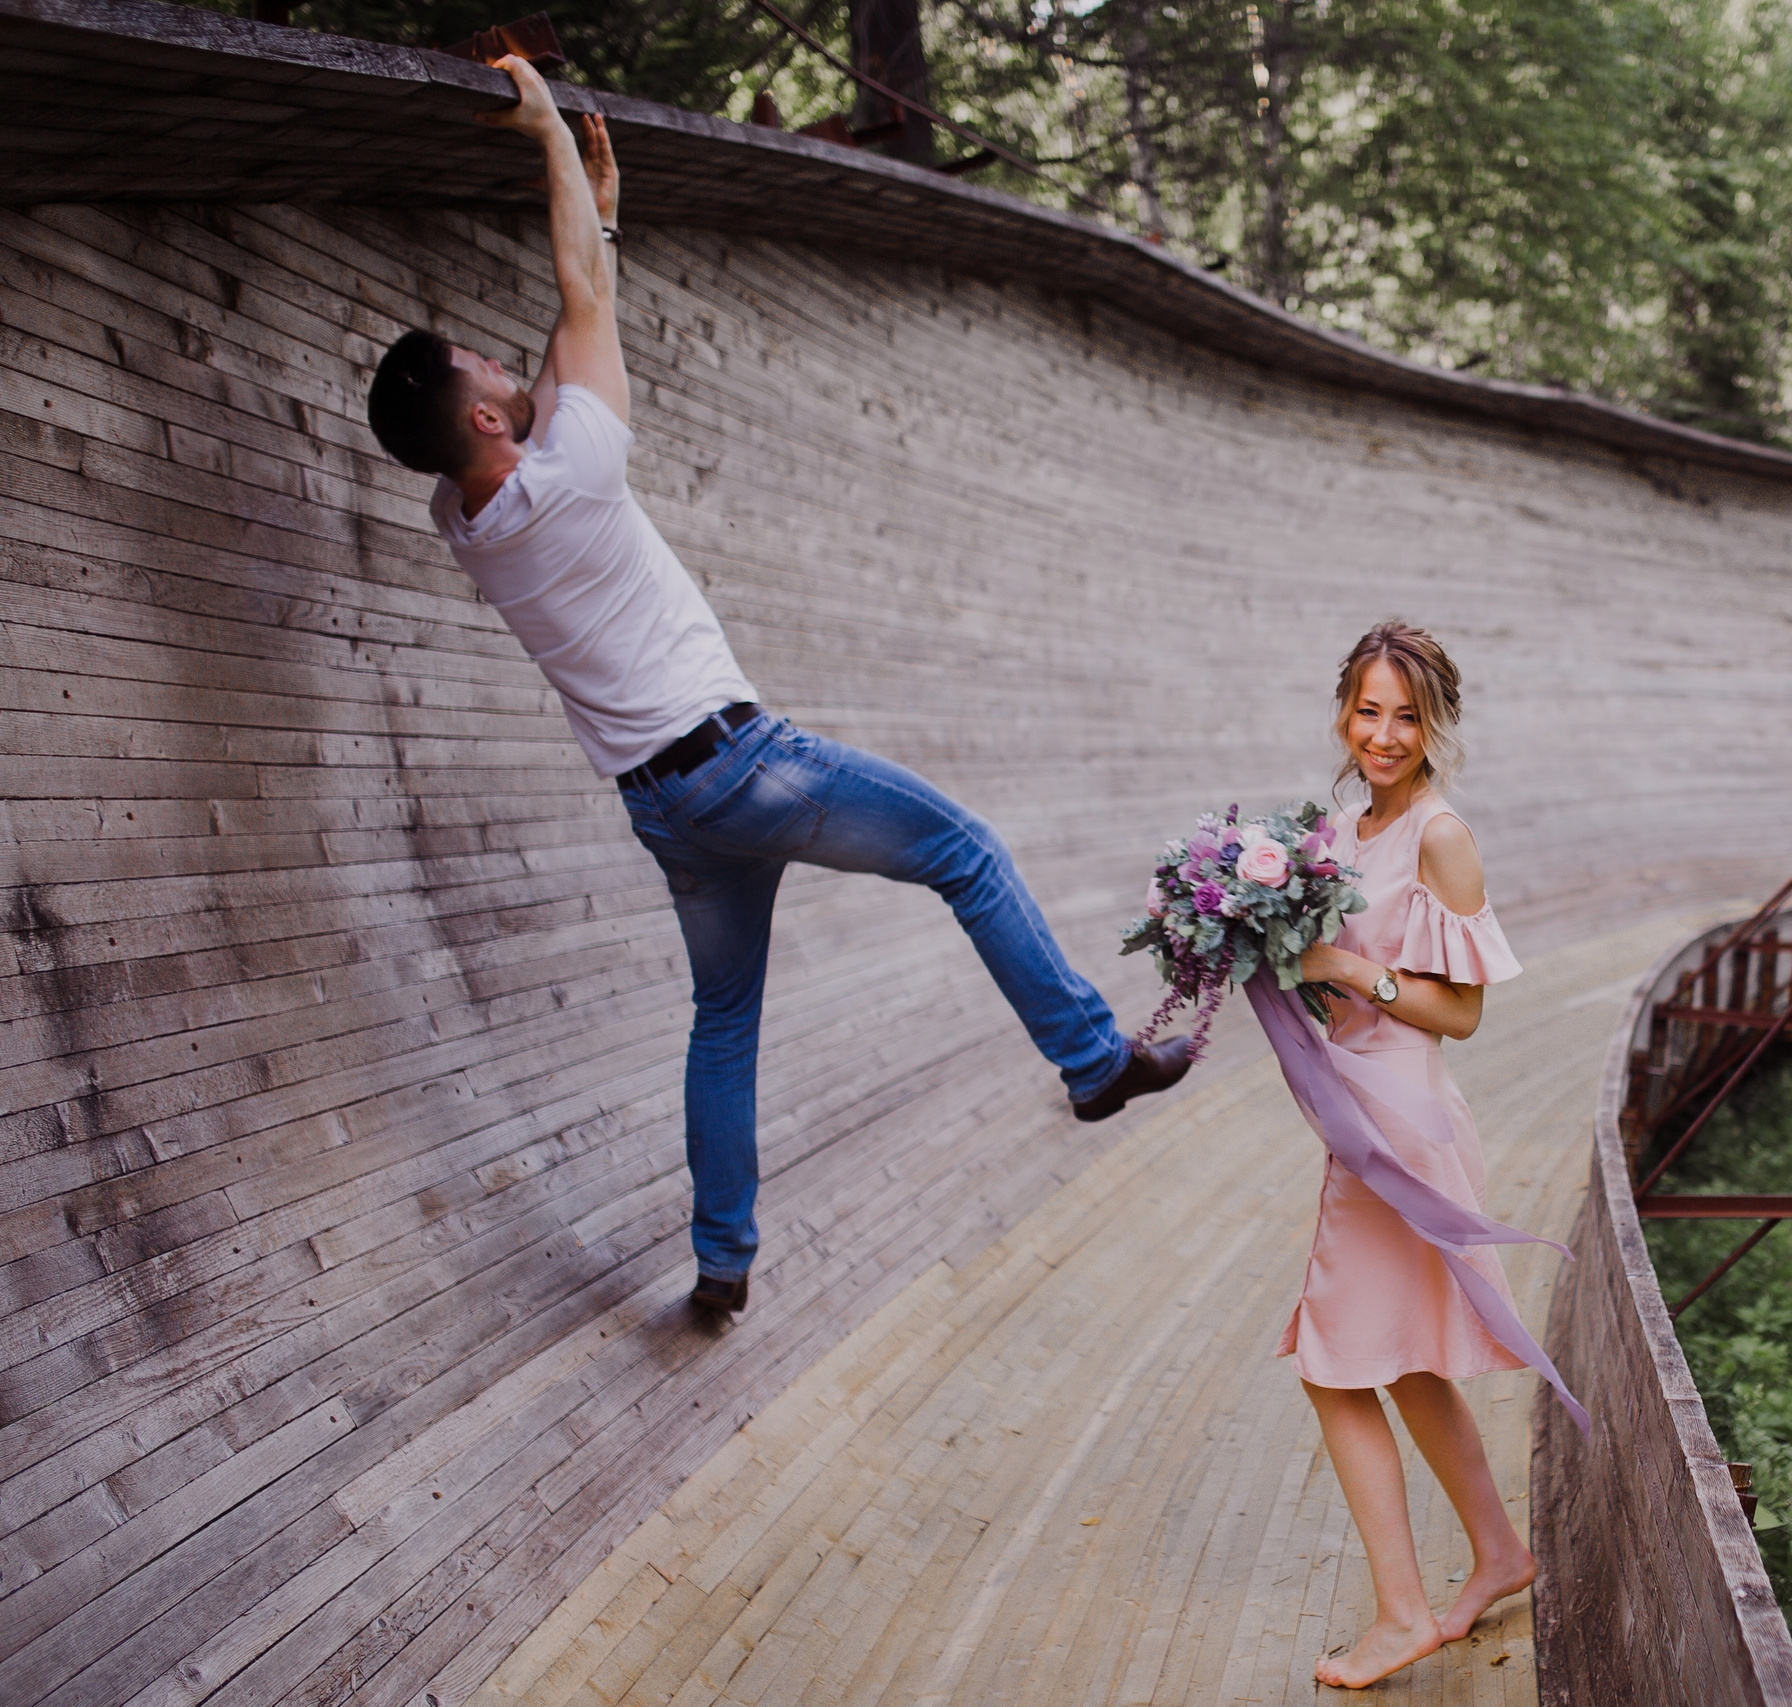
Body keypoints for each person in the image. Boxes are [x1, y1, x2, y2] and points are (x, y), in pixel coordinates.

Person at [361, 58, 1189, 1319]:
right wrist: (549, 141)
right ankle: (1090, 1060)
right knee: (966, 852)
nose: (502, 364)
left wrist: (604, 218)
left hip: (664, 811)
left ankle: (722, 1262)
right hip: (744, 769)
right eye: (483, 369)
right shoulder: (573, 475)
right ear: (483, 422)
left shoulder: (464, 518)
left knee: (724, 1021)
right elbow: (579, 310)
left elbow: (570, 335)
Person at [1285, 622, 1535, 1689]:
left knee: (1333, 1366)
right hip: (1357, 1109)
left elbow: (1463, 1014)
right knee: (1410, 1364)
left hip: (1402, 1126)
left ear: (1437, 725)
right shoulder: (1345, 827)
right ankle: (1501, 1554)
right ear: (1345, 712)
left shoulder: (1439, 836)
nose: (1383, 735)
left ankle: (1400, 1615)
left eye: (1406, 716)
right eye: (1367, 711)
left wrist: (1351, 970)